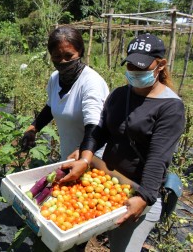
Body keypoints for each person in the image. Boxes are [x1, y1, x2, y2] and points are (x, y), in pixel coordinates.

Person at [59, 33, 185, 251]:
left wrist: (144, 197)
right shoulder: (119, 94)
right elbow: (99, 131)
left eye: (142, 66)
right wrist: (85, 156)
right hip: (106, 181)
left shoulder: (170, 107)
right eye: (131, 65)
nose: (135, 72)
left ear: (161, 65)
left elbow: (158, 158)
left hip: (138, 190)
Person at [21, 26, 109, 167]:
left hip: (93, 158)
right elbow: (51, 107)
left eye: (69, 56)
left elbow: (94, 126)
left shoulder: (91, 82)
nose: (63, 61)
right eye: (57, 57)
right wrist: (33, 129)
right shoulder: (55, 78)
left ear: (80, 52)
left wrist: (84, 157)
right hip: (68, 156)